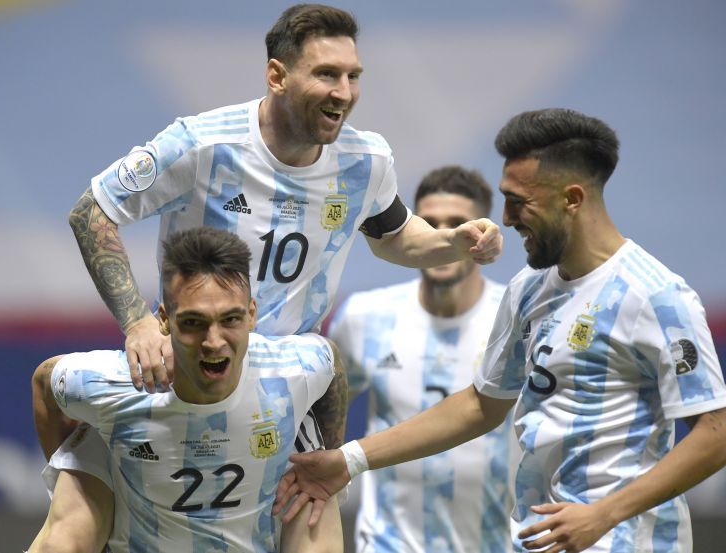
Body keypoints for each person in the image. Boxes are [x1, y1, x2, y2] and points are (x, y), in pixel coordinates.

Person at [36, 3, 502, 551]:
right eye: (327, 74)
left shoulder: (367, 160)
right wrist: (138, 323)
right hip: (186, 370)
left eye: (353, 76)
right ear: (277, 76)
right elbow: (92, 212)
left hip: (285, 384)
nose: (345, 92)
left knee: (313, 519)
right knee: (66, 531)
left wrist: (453, 241)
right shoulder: (201, 144)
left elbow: (395, 236)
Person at [273, 108, 726, 553]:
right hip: (540, 540)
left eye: (519, 202)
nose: (506, 219)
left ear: (573, 198)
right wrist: (349, 461)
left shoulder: (657, 296)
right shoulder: (529, 289)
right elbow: (479, 405)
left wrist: (603, 513)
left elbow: (716, 432)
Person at [31, 227, 345, 552]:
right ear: (164, 320)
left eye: (230, 320)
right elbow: (45, 382)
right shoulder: (116, 383)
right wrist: (75, 471)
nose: (213, 342)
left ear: (251, 314)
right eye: (194, 322)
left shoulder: (293, 369)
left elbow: (333, 365)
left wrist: (328, 457)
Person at [327, 165, 518, 553]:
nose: (444, 234)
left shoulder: (516, 318)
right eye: (429, 223)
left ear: (480, 232)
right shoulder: (365, 317)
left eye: (458, 223)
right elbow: (317, 420)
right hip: (386, 544)